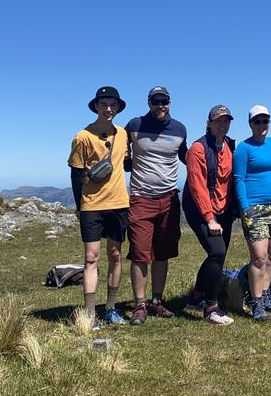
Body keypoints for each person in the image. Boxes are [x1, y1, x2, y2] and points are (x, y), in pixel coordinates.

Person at [124, 86, 188, 326]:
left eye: (164, 101)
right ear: (148, 102)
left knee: (163, 253)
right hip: (141, 198)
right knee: (140, 254)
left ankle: (157, 301)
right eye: (156, 101)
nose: (160, 106)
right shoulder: (134, 125)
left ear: (170, 102)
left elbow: (185, 155)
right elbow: (122, 154)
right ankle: (139, 305)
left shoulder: (179, 128)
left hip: (169, 198)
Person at [68, 85, 131, 328]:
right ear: (96, 106)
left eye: (113, 105)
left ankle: (111, 309)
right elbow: (75, 175)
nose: (108, 109)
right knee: (91, 257)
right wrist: (79, 205)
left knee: (115, 255)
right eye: (104, 104)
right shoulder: (82, 137)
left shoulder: (123, 134)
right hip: (91, 204)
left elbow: (127, 164)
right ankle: (90, 313)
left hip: (118, 202)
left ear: (117, 108)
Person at [183, 105, 238, 326]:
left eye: (226, 121)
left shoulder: (229, 146)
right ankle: (211, 308)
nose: (222, 124)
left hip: (223, 209)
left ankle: (196, 296)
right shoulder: (198, 149)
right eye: (218, 121)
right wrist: (209, 218)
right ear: (209, 123)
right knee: (217, 251)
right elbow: (198, 187)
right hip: (200, 209)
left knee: (219, 255)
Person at [232, 105, 271, 321]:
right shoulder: (244, 148)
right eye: (257, 121)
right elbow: (238, 179)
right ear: (250, 124)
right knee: (258, 257)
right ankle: (256, 302)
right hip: (254, 208)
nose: (262, 125)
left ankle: (265, 296)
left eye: (265, 121)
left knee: (270, 257)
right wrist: (244, 207)